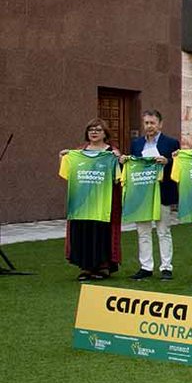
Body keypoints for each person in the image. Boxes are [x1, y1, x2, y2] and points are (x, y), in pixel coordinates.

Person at [61, 119, 123, 280]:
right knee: (83, 232)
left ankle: (103, 267)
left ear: (105, 133)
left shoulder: (111, 152)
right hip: (81, 203)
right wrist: (64, 158)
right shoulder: (78, 152)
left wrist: (118, 160)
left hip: (103, 202)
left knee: (101, 232)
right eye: (91, 130)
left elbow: (118, 178)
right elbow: (68, 174)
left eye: (98, 130)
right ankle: (86, 267)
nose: (94, 132)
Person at [125, 110, 180, 281]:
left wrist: (168, 161)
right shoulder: (136, 144)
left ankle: (166, 267)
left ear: (160, 124)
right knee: (143, 231)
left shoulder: (171, 143)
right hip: (142, 194)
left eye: (152, 123)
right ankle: (146, 267)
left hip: (162, 193)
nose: (149, 126)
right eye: (146, 123)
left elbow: (179, 165)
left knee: (163, 231)